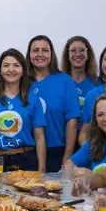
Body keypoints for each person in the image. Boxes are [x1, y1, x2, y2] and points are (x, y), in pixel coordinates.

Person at [0, 48, 46, 172]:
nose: (11, 69)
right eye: (6, 65)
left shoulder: (33, 98)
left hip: (27, 158)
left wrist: (42, 169)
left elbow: (40, 137)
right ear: (0, 71)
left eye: (16, 65)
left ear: (23, 71)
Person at [27, 35, 79, 171]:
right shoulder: (21, 81)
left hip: (57, 151)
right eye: (35, 50)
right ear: (29, 54)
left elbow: (72, 121)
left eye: (45, 50)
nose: (40, 54)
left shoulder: (65, 81)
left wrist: (67, 155)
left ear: (52, 54)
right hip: (27, 152)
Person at [67, 93, 106, 174]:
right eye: (100, 115)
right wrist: (80, 173)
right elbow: (68, 165)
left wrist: (92, 177)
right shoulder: (94, 142)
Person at [60, 35, 99, 118]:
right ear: (67, 55)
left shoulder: (97, 83)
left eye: (82, 50)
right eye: (73, 51)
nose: (78, 54)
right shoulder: (60, 83)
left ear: (88, 54)